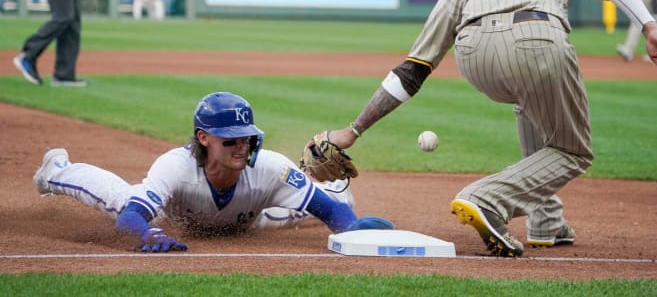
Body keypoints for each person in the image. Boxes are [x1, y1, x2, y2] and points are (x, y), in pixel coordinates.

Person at [312, 0, 657, 258]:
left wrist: (354, 129)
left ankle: (546, 220)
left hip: (473, 55)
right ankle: (487, 199)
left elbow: (412, 70)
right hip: (538, 39)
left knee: (529, 106)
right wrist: (648, 25)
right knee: (572, 150)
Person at [32, 92, 394, 252]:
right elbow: (130, 219)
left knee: (310, 205)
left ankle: (340, 192)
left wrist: (351, 229)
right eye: (231, 141)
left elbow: (328, 211)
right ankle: (57, 171)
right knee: (121, 198)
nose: (241, 147)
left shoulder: (267, 166)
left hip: (249, 217)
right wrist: (147, 234)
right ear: (203, 138)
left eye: (247, 140)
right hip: (176, 215)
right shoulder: (176, 166)